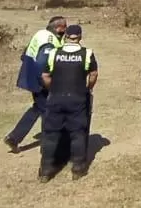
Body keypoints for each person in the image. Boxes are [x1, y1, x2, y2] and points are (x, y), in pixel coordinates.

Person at [38, 24, 97, 181]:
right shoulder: (87, 54)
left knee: (51, 134)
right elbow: (93, 74)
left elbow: (45, 75)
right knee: (78, 133)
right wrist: (88, 88)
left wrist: (52, 89)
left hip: (56, 98)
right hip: (77, 98)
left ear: (65, 37)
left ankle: (45, 170)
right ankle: (77, 168)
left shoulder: (54, 53)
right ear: (80, 37)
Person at [5, 16, 67, 151]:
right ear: (58, 28)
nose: (66, 30)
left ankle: (14, 137)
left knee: (38, 108)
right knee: (48, 109)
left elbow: (24, 55)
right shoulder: (49, 41)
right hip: (41, 81)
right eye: (64, 27)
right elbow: (42, 64)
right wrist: (47, 83)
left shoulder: (40, 34)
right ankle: (49, 144)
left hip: (32, 77)